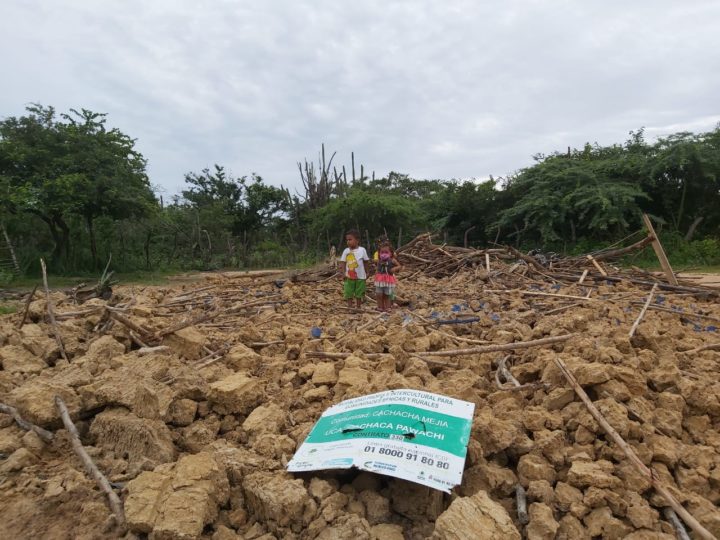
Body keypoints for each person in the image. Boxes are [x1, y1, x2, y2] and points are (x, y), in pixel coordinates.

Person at [338, 229, 370, 309]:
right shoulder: (346, 251)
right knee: (348, 291)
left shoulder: (362, 250)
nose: (348, 242)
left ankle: (358, 306)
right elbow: (343, 262)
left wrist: (367, 272)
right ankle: (350, 306)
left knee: (359, 291)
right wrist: (343, 273)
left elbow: (366, 261)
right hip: (349, 276)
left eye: (350, 239)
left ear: (357, 240)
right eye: (347, 240)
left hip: (360, 276)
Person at [373, 241, 401, 312]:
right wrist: (376, 275)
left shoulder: (392, 260)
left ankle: (387, 307)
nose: (383, 254)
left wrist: (394, 269)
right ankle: (380, 307)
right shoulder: (379, 261)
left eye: (386, 252)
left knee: (387, 294)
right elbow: (377, 269)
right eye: (382, 252)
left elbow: (399, 266)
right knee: (379, 294)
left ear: (391, 253)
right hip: (379, 279)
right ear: (379, 253)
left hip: (388, 279)